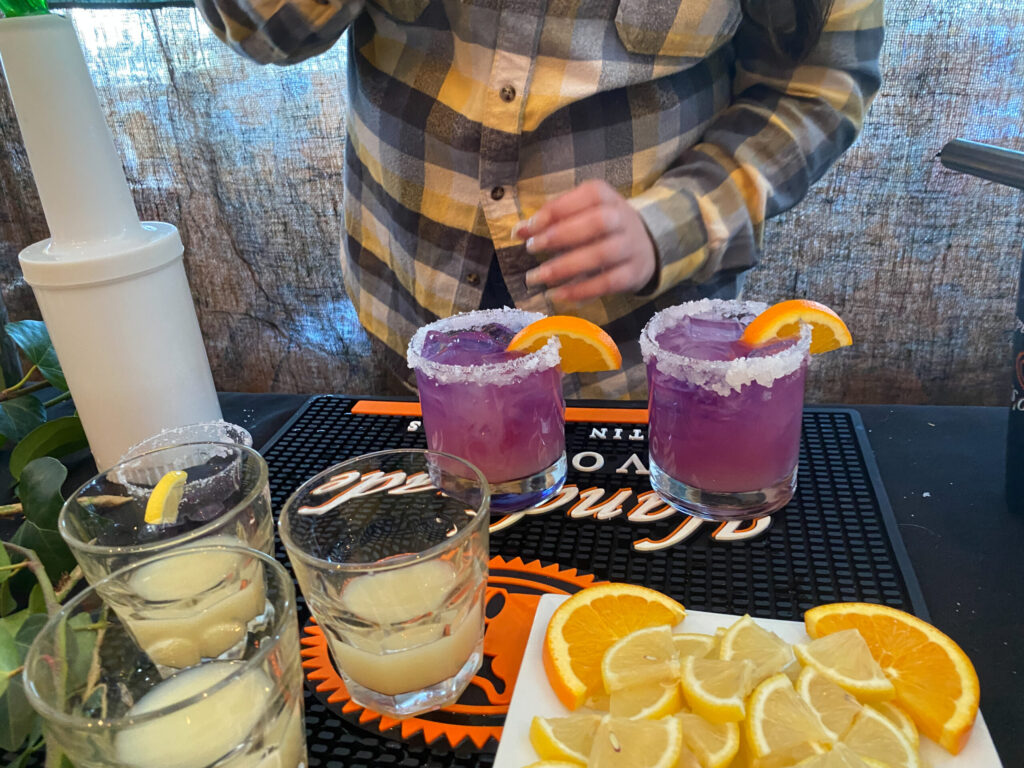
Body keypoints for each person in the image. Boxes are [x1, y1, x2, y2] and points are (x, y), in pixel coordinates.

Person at [196, 0, 882, 399]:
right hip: (408, 323)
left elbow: (819, 80)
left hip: (642, 358)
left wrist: (674, 222)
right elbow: (264, 28)